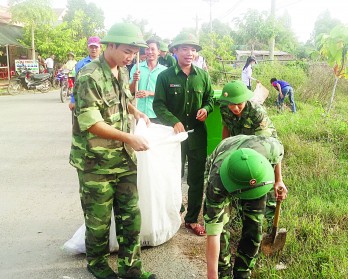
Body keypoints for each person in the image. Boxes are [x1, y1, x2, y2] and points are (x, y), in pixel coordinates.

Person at [69, 22, 157, 279]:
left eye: (133, 52)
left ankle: (131, 269)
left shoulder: (122, 71)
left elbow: (123, 100)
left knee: (131, 216)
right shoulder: (89, 76)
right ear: (111, 45)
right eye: (127, 51)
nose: (131, 57)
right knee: (98, 220)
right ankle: (97, 264)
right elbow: (91, 123)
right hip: (95, 161)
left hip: (122, 158)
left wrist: (136, 111)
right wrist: (129, 137)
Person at [153, 32, 214, 236]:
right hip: (173, 137)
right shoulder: (165, 76)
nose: (190, 53)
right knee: (172, 176)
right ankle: (172, 214)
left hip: (197, 135)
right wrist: (174, 121)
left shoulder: (203, 76)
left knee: (196, 179)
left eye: (194, 49)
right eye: (185, 49)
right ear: (175, 51)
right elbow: (158, 105)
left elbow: (210, 99)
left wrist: (206, 109)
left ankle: (191, 219)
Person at [204, 135, 288, 279]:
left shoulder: (270, 147)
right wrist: (212, 275)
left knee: (254, 227)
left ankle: (243, 273)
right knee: (222, 232)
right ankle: (223, 272)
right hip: (226, 169)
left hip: (256, 172)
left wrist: (278, 180)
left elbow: (278, 154)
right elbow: (214, 233)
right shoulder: (216, 184)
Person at [218, 80, 278, 231]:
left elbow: (270, 149)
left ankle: (269, 223)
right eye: (231, 104)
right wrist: (224, 148)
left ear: (245, 99)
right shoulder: (225, 108)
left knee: (264, 181)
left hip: (263, 146)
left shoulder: (256, 112)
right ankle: (241, 213)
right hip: (240, 145)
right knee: (239, 179)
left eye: (239, 104)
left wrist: (279, 179)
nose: (235, 108)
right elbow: (226, 127)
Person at [129, 38, 167, 123]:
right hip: (139, 113)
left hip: (157, 113)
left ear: (159, 52)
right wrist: (135, 80)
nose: (150, 52)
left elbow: (167, 94)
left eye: (153, 49)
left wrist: (149, 93)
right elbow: (130, 91)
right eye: (147, 49)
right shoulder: (137, 67)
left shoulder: (164, 71)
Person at [69, 36, 102, 111]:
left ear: (100, 47)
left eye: (96, 47)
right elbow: (76, 83)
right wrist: (73, 100)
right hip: (84, 101)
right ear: (88, 48)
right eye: (91, 47)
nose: (93, 49)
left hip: (101, 100)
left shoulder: (105, 63)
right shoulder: (80, 64)